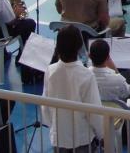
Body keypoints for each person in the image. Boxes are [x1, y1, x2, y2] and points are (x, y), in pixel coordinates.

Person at [43, 24, 104, 152]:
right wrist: (102, 135)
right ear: (79, 46)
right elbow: (94, 113)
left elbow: (45, 105)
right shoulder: (86, 75)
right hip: (82, 138)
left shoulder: (50, 71)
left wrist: (54, 127)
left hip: (59, 138)